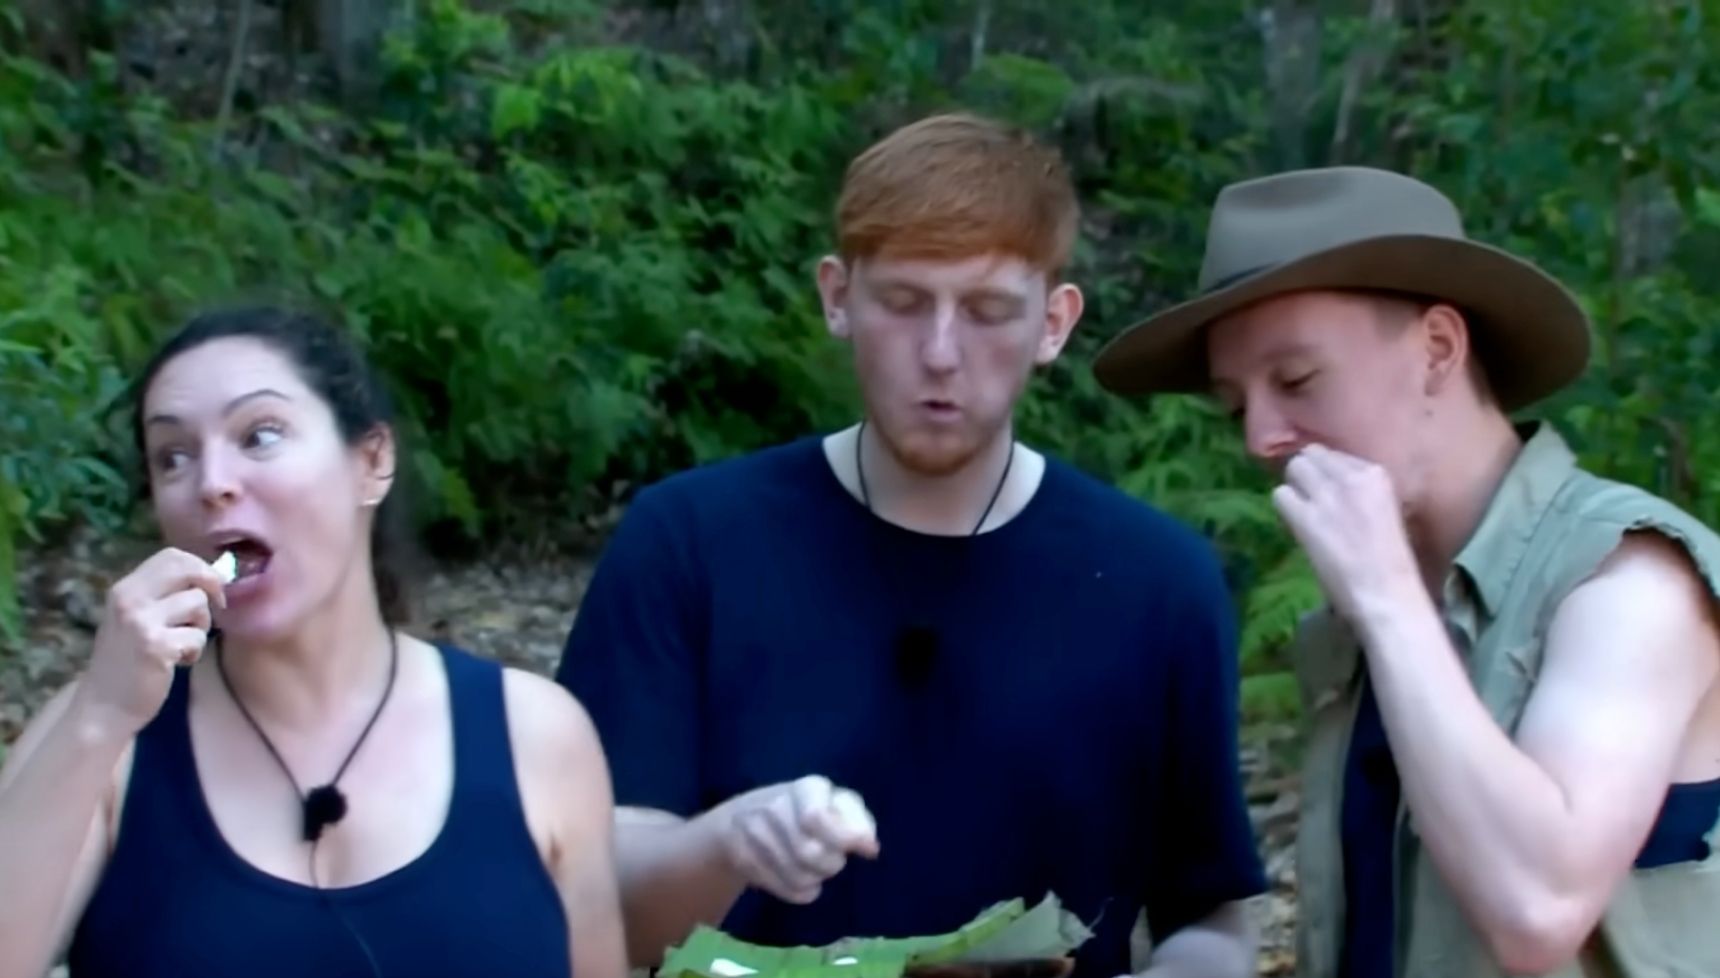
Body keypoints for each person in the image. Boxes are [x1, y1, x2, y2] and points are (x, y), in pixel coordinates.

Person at [555, 112, 1267, 978]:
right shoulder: (690, 544)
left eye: (988, 312)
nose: (940, 354)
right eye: (902, 302)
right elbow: (590, 900)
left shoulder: (1158, 582)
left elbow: (1214, 918)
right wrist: (728, 844)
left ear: (1055, 322)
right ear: (837, 297)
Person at [1091, 165, 1720, 978]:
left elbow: (1538, 910)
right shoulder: (1358, 623)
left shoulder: (1629, 581)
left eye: (1296, 380)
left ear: (1437, 350)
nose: (1261, 438)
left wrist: (1389, 604)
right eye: (1236, 404)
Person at [0, 307, 627, 978]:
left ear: (372, 462)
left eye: (260, 434)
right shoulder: (103, 738)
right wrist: (99, 717)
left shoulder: (538, 735)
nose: (211, 482)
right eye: (172, 456)